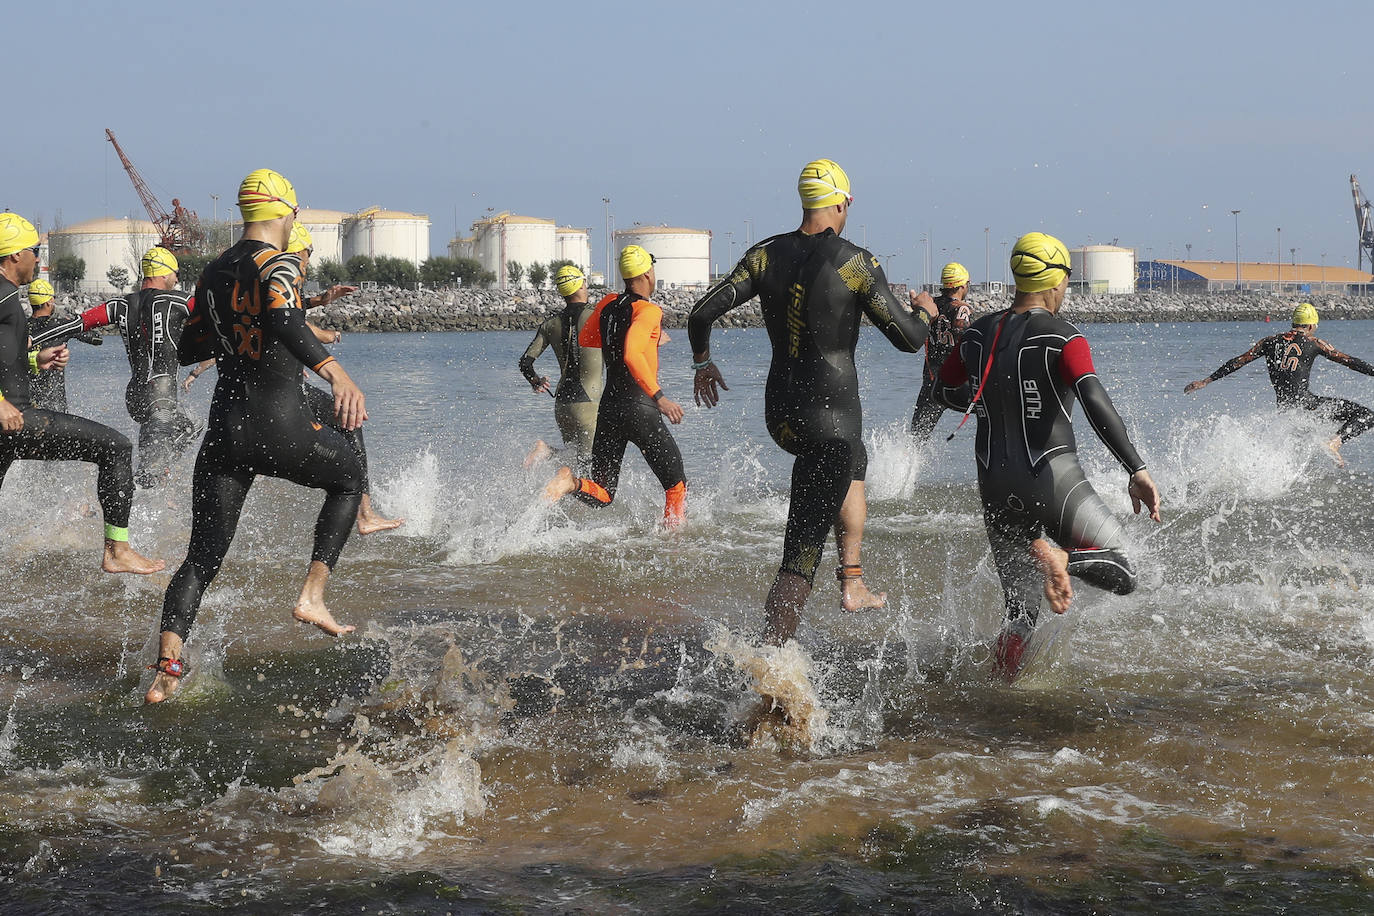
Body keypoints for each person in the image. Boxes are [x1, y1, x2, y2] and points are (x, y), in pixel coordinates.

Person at [687, 159, 937, 645]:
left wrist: (702, 363)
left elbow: (701, 312)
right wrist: (924, 313)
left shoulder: (764, 255)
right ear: (841, 202)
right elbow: (908, 340)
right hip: (830, 422)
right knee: (801, 553)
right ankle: (771, 662)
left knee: (853, 462)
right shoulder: (854, 262)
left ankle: (853, 579)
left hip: (781, 417)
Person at [147, 169, 368, 704]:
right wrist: (335, 372)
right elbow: (285, 319)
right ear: (284, 213)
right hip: (280, 425)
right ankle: (312, 596)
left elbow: (188, 341)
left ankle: (165, 670)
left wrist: (231, 341)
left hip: (225, 432)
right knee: (349, 475)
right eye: (295, 216)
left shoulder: (214, 268)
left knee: (201, 557)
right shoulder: (279, 261)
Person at [935, 231, 1161, 682]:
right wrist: (1136, 468)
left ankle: (997, 693)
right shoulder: (1063, 337)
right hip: (1051, 478)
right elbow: (1093, 398)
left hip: (994, 483)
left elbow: (945, 387)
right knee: (1124, 567)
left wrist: (988, 403)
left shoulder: (978, 332)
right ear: (1055, 279)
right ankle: (1061, 559)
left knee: (1019, 611)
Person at [0, 212, 164, 574]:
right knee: (116, 447)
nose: (38, 259)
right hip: (14, 421)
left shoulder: (10, 296)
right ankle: (117, 550)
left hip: (10, 428)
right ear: (14, 255)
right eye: (33, 252)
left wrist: (35, 360)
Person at [543, 245, 686, 526]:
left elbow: (588, 339)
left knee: (605, 492)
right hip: (641, 409)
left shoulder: (608, 303)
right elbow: (631, 353)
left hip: (609, 410)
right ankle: (674, 542)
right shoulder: (648, 310)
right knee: (675, 485)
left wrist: (646, 340)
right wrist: (660, 398)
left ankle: (569, 483)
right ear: (647, 273)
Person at [33, 247, 199, 487]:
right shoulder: (179, 300)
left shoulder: (119, 305)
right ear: (164, 274)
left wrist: (30, 340)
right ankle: (146, 480)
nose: (177, 279)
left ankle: (151, 472)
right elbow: (217, 317)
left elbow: (76, 324)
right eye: (175, 273)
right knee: (159, 461)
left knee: (181, 426)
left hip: (135, 397)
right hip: (161, 394)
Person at [1184, 302, 1374, 467]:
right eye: (1314, 325)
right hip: (1308, 406)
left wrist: (1206, 381)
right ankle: (1335, 443)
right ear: (1310, 325)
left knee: (1295, 451)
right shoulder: (1314, 342)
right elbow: (1349, 361)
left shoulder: (1269, 342)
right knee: (1367, 416)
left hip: (1285, 412)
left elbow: (1238, 361)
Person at [520, 264, 604, 471]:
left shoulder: (550, 324)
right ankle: (547, 452)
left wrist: (536, 381)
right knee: (586, 468)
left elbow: (525, 363)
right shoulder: (598, 315)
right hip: (587, 404)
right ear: (582, 284)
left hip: (562, 403)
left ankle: (546, 452)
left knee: (571, 463)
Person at [909, 262, 973, 440]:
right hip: (956, 382)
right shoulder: (962, 308)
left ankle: (900, 466)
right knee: (993, 410)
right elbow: (965, 333)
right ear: (962, 285)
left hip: (931, 382)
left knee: (916, 438)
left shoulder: (930, 305)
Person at [24, 277, 103, 413]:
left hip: (27, 404)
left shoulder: (22, 327)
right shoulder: (61, 325)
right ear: (49, 301)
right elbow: (97, 339)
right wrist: (73, 324)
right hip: (55, 403)